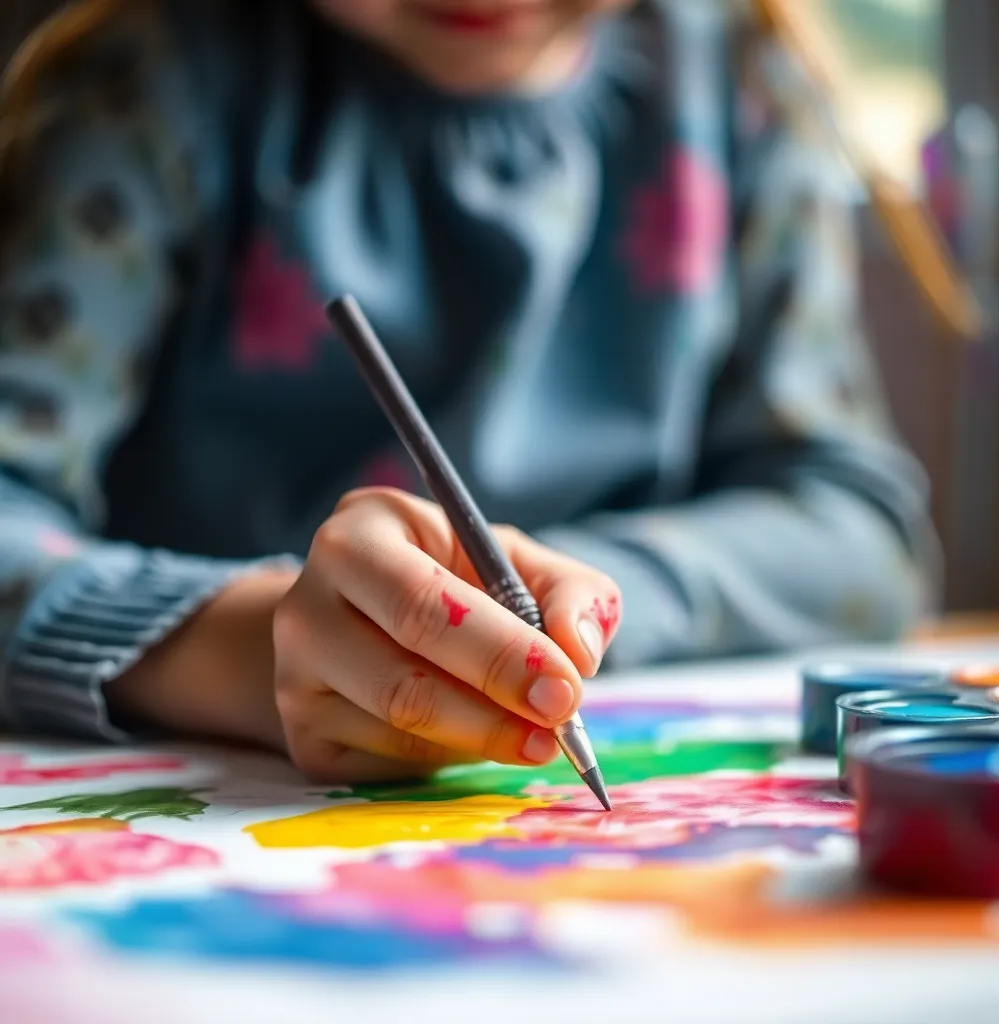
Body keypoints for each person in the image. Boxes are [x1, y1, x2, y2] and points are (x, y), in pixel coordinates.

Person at [0, 0, 932, 782]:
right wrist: (249, 647)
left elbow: (857, 534)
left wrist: (573, 607)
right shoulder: (152, 81)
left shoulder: (737, 82)